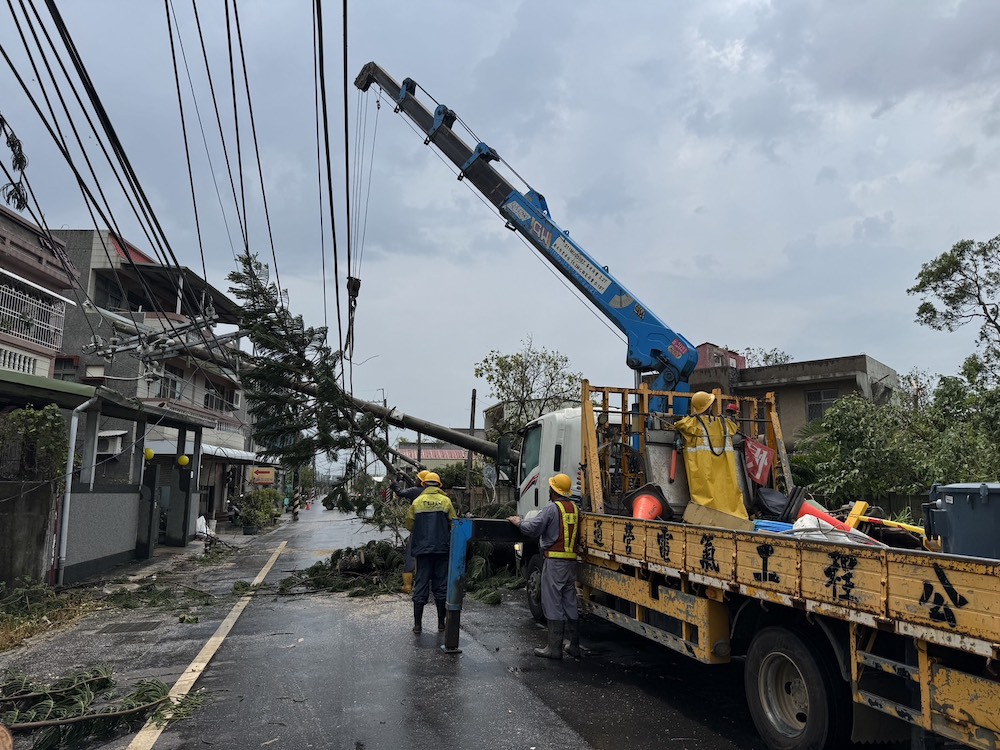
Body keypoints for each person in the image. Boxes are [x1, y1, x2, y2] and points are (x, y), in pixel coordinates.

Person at [508, 473, 581, 660]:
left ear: (554, 491)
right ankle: (574, 646)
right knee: (570, 601)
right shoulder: (575, 508)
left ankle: (554, 649)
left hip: (555, 562)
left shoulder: (552, 508)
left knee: (553, 602)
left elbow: (533, 528)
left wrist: (519, 522)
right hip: (571, 563)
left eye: (551, 488)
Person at [404, 471, 457, 634]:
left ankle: (417, 625)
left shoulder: (417, 502)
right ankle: (441, 624)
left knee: (421, 584)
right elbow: (454, 522)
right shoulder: (446, 501)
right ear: (439, 485)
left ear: (424, 484)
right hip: (441, 550)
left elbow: (409, 525)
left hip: (422, 551)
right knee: (441, 586)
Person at [392, 470, 429, 594]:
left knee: (411, 556)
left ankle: (408, 586)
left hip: (417, 528)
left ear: (422, 482)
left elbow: (400, 492)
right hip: (433, 531)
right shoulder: (438, 496)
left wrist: (394, 483)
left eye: (418, 478)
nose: (416, 480)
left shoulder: (415, 491)